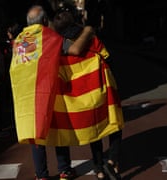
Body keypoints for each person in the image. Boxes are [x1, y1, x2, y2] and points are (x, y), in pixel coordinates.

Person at [9, 5, 94, 180]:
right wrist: (87, 31)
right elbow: (76, 50)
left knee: (35, 132)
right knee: (57, 128)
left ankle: (41, 175)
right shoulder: (50, 37)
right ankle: (64, 169)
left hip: (25, 94)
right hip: (48, 92)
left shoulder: (18, 41)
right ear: (45, 21)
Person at [52, 4, 124, 180]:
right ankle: (113, 161)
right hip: (100, 88)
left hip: (80, 97)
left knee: (94, 130)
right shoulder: (91, 38)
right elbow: (107, 57)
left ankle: (98, 169)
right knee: (115, 124)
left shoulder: (57, 48)